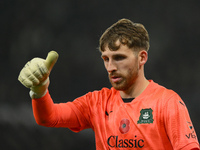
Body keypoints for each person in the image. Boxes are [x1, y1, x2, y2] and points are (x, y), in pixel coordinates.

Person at [18, 18, 200, 150]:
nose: (110, 67)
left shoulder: (167, 102)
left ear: (142, 57)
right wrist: (40, 89)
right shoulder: (96, 102)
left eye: (119, 58)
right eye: (106, 59)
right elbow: (49, 118)